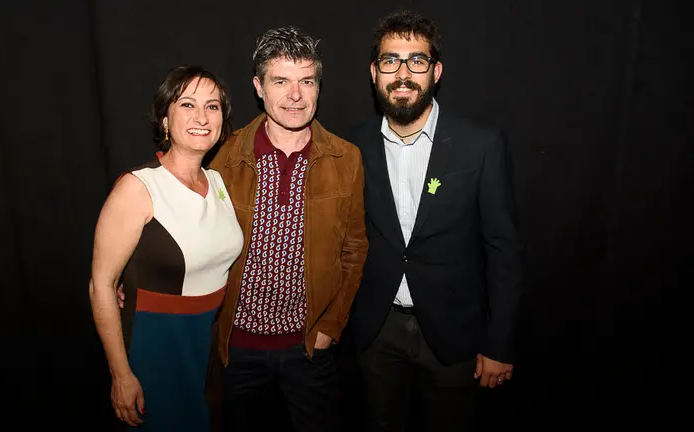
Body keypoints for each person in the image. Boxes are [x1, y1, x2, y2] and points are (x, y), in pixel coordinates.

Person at [345, 9, 524, 431]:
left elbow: (504, 252)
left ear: (436, 71)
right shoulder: (351, 147)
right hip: (376, 331)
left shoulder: (480, 145)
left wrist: (500, 343)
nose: (403, 73)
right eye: (390, 60)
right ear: (374, 72)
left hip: (455, 335)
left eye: (417, 61)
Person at [207, 25, 368, 432]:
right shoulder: (224, 157)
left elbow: (354, 249)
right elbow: (188, 234)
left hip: (308, 348)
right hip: (236, 348)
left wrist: (331, 327)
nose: (295, 95)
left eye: (306, 81)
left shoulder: (346, 159)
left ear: (317, 86)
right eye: (281, 81)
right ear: (258, 87)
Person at [88, 65, 243, 431]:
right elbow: (101, 286)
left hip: (205, 346)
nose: (202, 117)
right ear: (164, 120)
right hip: (154, 346)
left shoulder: (218, 180)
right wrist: (121, 374)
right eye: (187, 105)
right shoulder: (138, 187)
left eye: (213, 106)